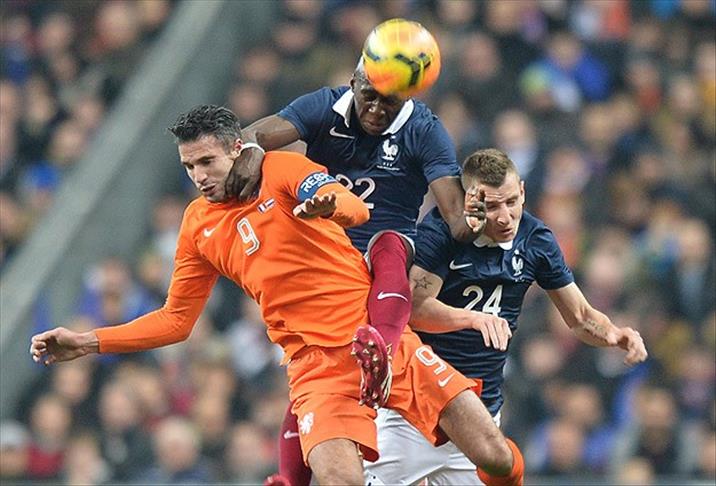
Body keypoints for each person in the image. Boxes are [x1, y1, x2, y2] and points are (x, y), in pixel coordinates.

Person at [29, 105, 523, 486]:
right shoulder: (197, 227)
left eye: (207, 161)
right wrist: (89, 341)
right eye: (189, 166)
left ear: (237, 149)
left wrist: (329, 206)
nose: (199, 176)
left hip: (380, 342)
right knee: (341, 481)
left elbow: (355, 209)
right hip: (315, 370)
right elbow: (176, 321)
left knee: (496, 457)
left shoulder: (283, 169)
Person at [225, 60, 485, 484]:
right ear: (354, 83)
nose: (378, 110)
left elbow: (457, 219)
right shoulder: (323, 106)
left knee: (388, 244)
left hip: (387, 252)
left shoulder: (425, 129)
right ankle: (290, 477)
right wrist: (252, 151)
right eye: (369, 97)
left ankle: (382, 346)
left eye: (390, 102)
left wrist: (476, 220)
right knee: (314, 368)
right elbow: (253, 135)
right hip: (326, 260)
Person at [363, 148, 648, 484]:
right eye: (491, 206)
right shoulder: (443, 231)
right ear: (469, 201)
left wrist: (614, 334)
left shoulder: (535, 240)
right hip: (416, 413)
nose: (505, 217)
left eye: (512, 202)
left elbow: (580, 316)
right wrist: (473, 318)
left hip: (481, 417)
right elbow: (414, 309)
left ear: (523, 191)